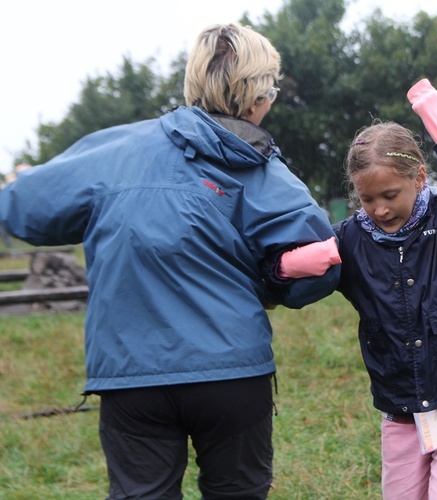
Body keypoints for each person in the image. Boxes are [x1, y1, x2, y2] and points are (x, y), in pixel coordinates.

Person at [0, 23, 341, 499]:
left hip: (131, 375)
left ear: (193, 82)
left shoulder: (114, 150)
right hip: (233, 374)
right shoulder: (266, 171)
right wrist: (271, 283)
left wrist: (20, 180)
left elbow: (23, 210)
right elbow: (320, 263)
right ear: (260, 99)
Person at [325, 79, 437, 499]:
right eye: (367, 199)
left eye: (390, 194)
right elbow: (292, 274)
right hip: (400, 405)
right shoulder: (350, 239)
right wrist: (286, 267)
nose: (380, 209)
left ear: (420, 177)